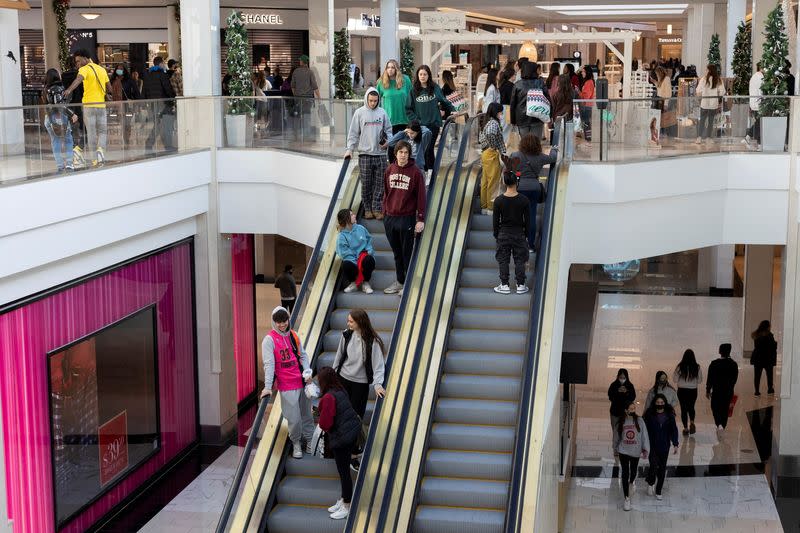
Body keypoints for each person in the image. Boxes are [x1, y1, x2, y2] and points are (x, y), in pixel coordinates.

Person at [261, 306, 314, 458]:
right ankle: (296, 443)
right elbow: (269, 364)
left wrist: (307, 371)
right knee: (294, 418)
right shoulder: (269, 340)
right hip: (287, 385)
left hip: (302, 381)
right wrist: (267, 386)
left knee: (306, 415)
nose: (282, 325)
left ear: (288, 319)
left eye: (284, 321)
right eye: (278, 322)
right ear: (273, 322)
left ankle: (310, 440)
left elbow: (302, 355)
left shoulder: (293, 335)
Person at [332, 309, 386, 449]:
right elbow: (339, 355)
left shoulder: (372, 342)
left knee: (356, 415)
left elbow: (378, 365)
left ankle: (354, 445)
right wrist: (334, 374)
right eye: (348, 320)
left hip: (360, 384)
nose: (348, 323)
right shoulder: (346, 335)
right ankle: (341, 443)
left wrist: (378, 384)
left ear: (359, 322)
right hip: (343, 378)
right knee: (341, 412)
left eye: (351, 321)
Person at [317, 367, 362, 520]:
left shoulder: (329, 397)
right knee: (344, 472)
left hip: (342, 438)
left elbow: (325, 423)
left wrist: (318, 413)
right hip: (350, 433)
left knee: (344, 473)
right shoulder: (340, 390)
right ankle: (343, 498)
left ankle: (347, 504)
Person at [382, 141, 426, 296]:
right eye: (400, 152)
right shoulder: (389, 170)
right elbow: (386, 193)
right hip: (390, 218)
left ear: (409, 154)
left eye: (406, 152)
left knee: (407, 253)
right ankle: (400, 281)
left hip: (406, 218)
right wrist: (384, 211)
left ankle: (408, 283)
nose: (403, 155)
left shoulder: (415, 173)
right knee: (396, 253)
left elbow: (421, 197)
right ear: (396, 154)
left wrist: (420, 218)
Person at [345, 87, 392, 219]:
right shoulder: (359, 113)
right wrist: (350, 149)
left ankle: (377, 208)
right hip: (364, 154)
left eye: (375, 101)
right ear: (366, 99)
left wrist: (388, 141)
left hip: (381, 154)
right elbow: (353, 133)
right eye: (370, 101)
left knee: (380, 183)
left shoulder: (382, 113)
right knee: (366, 183)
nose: (373, 103)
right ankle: (367, 209)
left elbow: (389, 130)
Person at [63, 49, 111, 167]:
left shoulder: (84, 69)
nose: (78, 64)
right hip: (101, 106)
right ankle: (101, 151)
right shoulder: (102, 69)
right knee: (103, 131)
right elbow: (109, 88)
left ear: (85, 58)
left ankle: (95, 159)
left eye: (79, 61)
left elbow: (78, 80)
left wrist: (69, 90)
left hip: (89, 106)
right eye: (76, 62)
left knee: (91, 133)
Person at [508, 134, 556, 250]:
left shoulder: (515, 155)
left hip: (519, 189)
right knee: (531, 216)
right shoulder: (540, 157)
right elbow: (553, 158)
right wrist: (554, 149)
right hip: (534, 189)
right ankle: (530, 245)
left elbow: (509, 169)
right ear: (537, 145)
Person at [406, 65, 456, 171]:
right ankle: (425, 173)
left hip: (434, 124)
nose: (423, 76)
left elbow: (443, 100)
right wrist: (417, 121)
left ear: (429, 75)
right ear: (417, 76)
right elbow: (408, 109)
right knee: (423, 149)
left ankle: (431, 172)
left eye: (425, 74)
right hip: (421, 126)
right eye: (420, 74)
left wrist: (453, 109)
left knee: (429, 148)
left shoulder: (435, 88)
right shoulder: (413, 91)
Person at [492, 168, 530, 295]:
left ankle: (504, 285)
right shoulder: (524, 200)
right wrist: (527, 236)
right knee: (519, 259)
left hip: (503, 233)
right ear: (516, 182)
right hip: (519, 233)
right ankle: (520, 285)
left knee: (503, 259)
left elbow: (495, 222)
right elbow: (528, 221)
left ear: (504, 182)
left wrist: (497, 235)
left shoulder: (498, 201)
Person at [41, 68, 78, 172]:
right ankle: (70, 163)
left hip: (48, 118)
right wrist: (72, 114)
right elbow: (59, 105)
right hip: (59, 117)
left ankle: (60, 165)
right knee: (68, 140)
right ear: (56, 76)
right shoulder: (57, 88)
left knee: (55, 141)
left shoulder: (45, 89)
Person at [643, 394, 679, 500]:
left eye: (662, 403)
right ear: (654, 403)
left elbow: (674, 430)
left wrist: (675, 444)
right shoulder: (649, 414)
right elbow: (644, 431)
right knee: (653, 466)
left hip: (664, 446)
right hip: (652, 446)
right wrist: (643, 444)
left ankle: (658, 490)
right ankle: (650, 482)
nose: (660, 404)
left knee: (662, 469)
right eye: (658, 403)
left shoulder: (670, 416)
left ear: (665, 403)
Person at [616, 401, 649, 511]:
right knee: (625, 472)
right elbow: (616, 437)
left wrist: (645, 449)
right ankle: (626, 498)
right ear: (626, 410)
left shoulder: (640, 420)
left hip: (635, 451)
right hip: (623, 451)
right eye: (630, 409)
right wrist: (615, 447)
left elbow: (644, 435)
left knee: (633, 472)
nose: (633, 410)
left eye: (634, 408)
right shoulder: (620, 421)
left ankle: (631, 483)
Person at [141, 56, 176, 153]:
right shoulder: (162, 74)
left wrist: (145, 103)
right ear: (161, 64)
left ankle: (150, 144)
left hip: (153, 104)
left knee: (158, 125)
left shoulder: (148, 75)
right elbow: (168, 89)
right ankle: (166, 146)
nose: (165, 65)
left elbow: (144, 91)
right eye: (164, 63)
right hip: (163, 104)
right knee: (165, 125)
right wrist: (173, 97)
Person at [336, 209, 376, 294]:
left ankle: (366, 283)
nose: (354, 216)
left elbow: (369, 240)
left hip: (364, 256)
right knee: (346, 264)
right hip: (353, 260)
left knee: (369, 260)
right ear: (346, 219)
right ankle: (353, 284)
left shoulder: (360, 228)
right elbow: (343, 252)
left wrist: (369, 250)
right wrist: (356, 261)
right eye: (351, 215)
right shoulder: (341, 236)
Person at [479, 102, 506, 214]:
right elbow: (490, 134)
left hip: (485, 154)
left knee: (485, 181)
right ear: (496, 112)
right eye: (500, 112)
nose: (501, 114)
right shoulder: (494, 124)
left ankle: (484, 206)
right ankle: (491, 207)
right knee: (493, 181)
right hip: (491, 154)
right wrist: (493, 147)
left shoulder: (487, 121)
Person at [510, 61, 547, 139]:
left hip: (521, 118)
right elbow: (547, 99)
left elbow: (513, 104)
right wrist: (549, 115)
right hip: (538, 116)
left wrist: (513, 120)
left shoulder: (517, 84)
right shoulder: (540, 83)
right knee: (536, 142)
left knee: (524, 142)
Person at [706, 343, 739, 430]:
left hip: (717, 390)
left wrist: (708, 390)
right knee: (725, 408)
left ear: (719, 351)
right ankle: (722, 425)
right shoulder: (734, 364)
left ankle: (719, 423)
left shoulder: (714, 364)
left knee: (715, 407)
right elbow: (734, 379)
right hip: (728, 390)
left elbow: (710, 378)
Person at [376, 59, 412, 135]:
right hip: (389, 121)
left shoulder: (405, 79)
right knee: (391, 146)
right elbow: (376, 100)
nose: (390, 70)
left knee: (404, 146)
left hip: (405, 119)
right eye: (388, 67)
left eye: (392, 67)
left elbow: (412, 97)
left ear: (396, 69)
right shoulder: (381, 82)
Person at [673, 349, 703, 435]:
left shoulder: (679, 367)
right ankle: (692, 422)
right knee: (691, 407)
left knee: (683, 409)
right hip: (693, 390)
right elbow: (700, 380)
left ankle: (686, 429)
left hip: (682, 390)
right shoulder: (697, 367)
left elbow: (675, 380)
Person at [291, 55, 320, 140]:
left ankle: (296, 135)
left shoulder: (295, 72)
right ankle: (306, 135)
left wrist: (295, 95)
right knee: (307, 116)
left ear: (302, 62)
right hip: (308, 98)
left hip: (297, 98)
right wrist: (319, 98)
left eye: (300, 60)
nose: (299, 61)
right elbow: (315, 86)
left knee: (297, 116)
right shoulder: (310, 72)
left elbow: (292, 86)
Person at [695, 64, 725, 144]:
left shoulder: (703, 79)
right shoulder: (718, 80)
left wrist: (702, 94)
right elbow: (722, 91)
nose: (706, 71)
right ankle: (708, 137)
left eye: (706, 69)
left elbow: (698, 91)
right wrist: (717, 94)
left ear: (709, 70)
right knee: (711, 122)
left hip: (704, 103)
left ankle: (699, 137)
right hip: (713, 104)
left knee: (702, 121)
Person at [608, 369, 636, 454]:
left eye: (624, 377)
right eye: (620, 377)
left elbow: (633, 397)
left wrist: (626, 392)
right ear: (618, 377)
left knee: (625, 431)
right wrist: (618, 391)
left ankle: (624, 447)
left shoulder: (630, 385)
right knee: (616, 431)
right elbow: (610, 397)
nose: (622, 379)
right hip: (615, 412)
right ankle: (616, 448)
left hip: (626, 413)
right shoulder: (614, 385)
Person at [751, 320, 777, 395]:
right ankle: (770, 389)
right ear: (767, 326)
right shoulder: (769, 335)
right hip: (767, 358)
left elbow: (757, 346)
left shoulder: (756, 335)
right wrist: (775, 343)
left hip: (758, 358)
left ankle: (756, 391)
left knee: (757, 376)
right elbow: (772, 347)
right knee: (769, 375)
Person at [746, 62, 764, 144]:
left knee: (759, 122)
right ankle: (753, 139)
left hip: (754, 103)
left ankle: (749, 137)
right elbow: (761, 91)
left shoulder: (754, 76)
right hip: (758, 103)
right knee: (760, 122)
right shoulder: (760, 77)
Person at [578, 64, 595, 141]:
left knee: (586, 123)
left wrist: (578, 91)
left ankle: (588, 138)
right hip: (587, 106)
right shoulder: (589, 81)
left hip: (587, 106)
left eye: (583, 72)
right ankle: (588, 138)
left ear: (587, 72)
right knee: (586, 123)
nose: (582, 73)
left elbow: (586, 97)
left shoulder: (589, 82)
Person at [498, 69, 515, 142]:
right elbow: (512, 99)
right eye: (514, 74)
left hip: (502, 108)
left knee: (503, 126)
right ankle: (503, 144)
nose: (515, 76)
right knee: (506, 127)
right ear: (511, 76)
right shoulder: (511, 86)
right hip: (508, 108)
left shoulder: (502, 84)